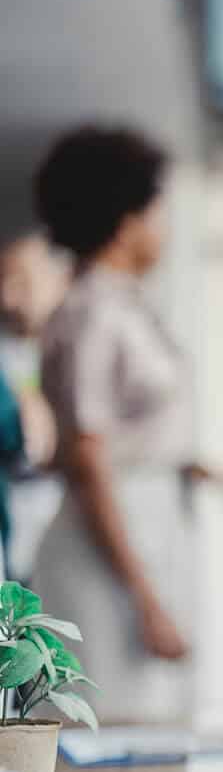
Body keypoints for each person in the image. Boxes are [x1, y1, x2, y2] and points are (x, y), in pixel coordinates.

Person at [31, 127, 212, 718]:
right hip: (109, 535)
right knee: (115, 729)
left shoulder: (121, 303)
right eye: (156, 213)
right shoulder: (91, 313)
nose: (162, 230)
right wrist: (145, 598)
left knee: (156, 719)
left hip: (146, 518)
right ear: (125, 219)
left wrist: (184, 460)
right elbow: (89, 458)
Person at [0, 232, 70, 580]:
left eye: (21, 282)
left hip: (73, 547)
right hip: (18, 552)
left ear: (60, 280)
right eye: (3, 281)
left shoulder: (77, 351)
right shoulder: (4, 361)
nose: (6, 297)